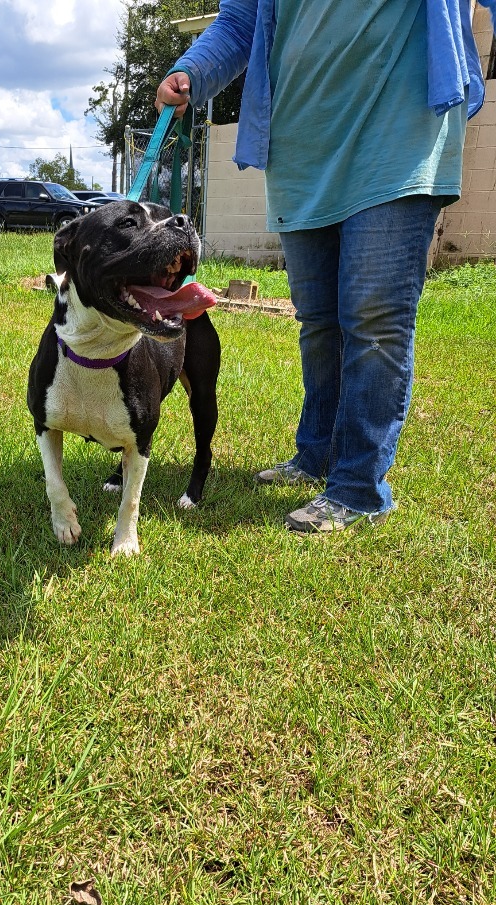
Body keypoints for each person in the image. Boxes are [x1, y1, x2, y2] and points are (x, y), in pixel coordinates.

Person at [157, 0, 496, 533]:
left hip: (399, 133)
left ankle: (359, 487)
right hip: (301, 147)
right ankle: (315, 455)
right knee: (317, 319)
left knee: (374, 319)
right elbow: (241, 21)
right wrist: (192, 72)